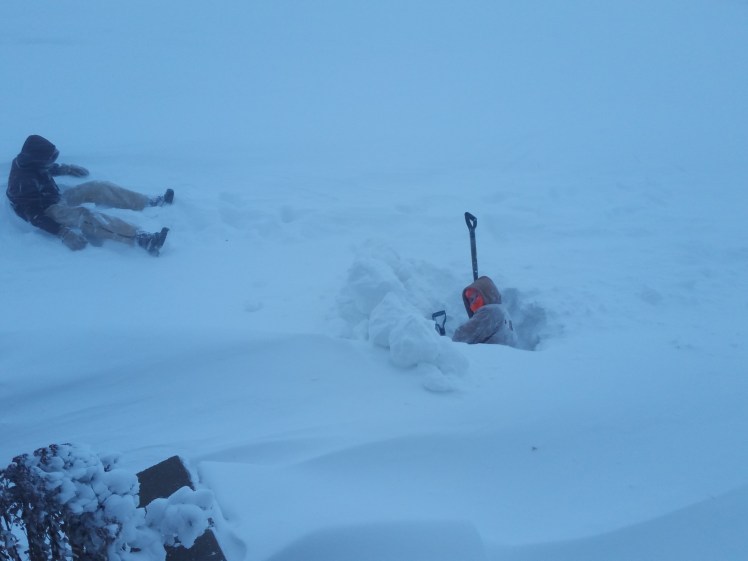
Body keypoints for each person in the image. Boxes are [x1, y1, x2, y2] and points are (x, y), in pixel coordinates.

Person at [6, 134, 173, 255]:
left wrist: (65, 168)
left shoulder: (29, 161)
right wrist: (62, 233)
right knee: (84, 215)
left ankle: (147, 202)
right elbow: (33, 216)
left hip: (54, 197)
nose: (51, 162)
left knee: (98, 186)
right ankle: (142, 238)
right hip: (46, 210)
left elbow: (43, 168)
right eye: (49, 159)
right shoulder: (22, 183)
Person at [452, 275, 517, 346]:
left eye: (476, 297)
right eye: (471, 300)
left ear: (486, 294)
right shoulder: (502, 312)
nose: (473, 303)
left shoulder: (489, 312)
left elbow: (461, 337)